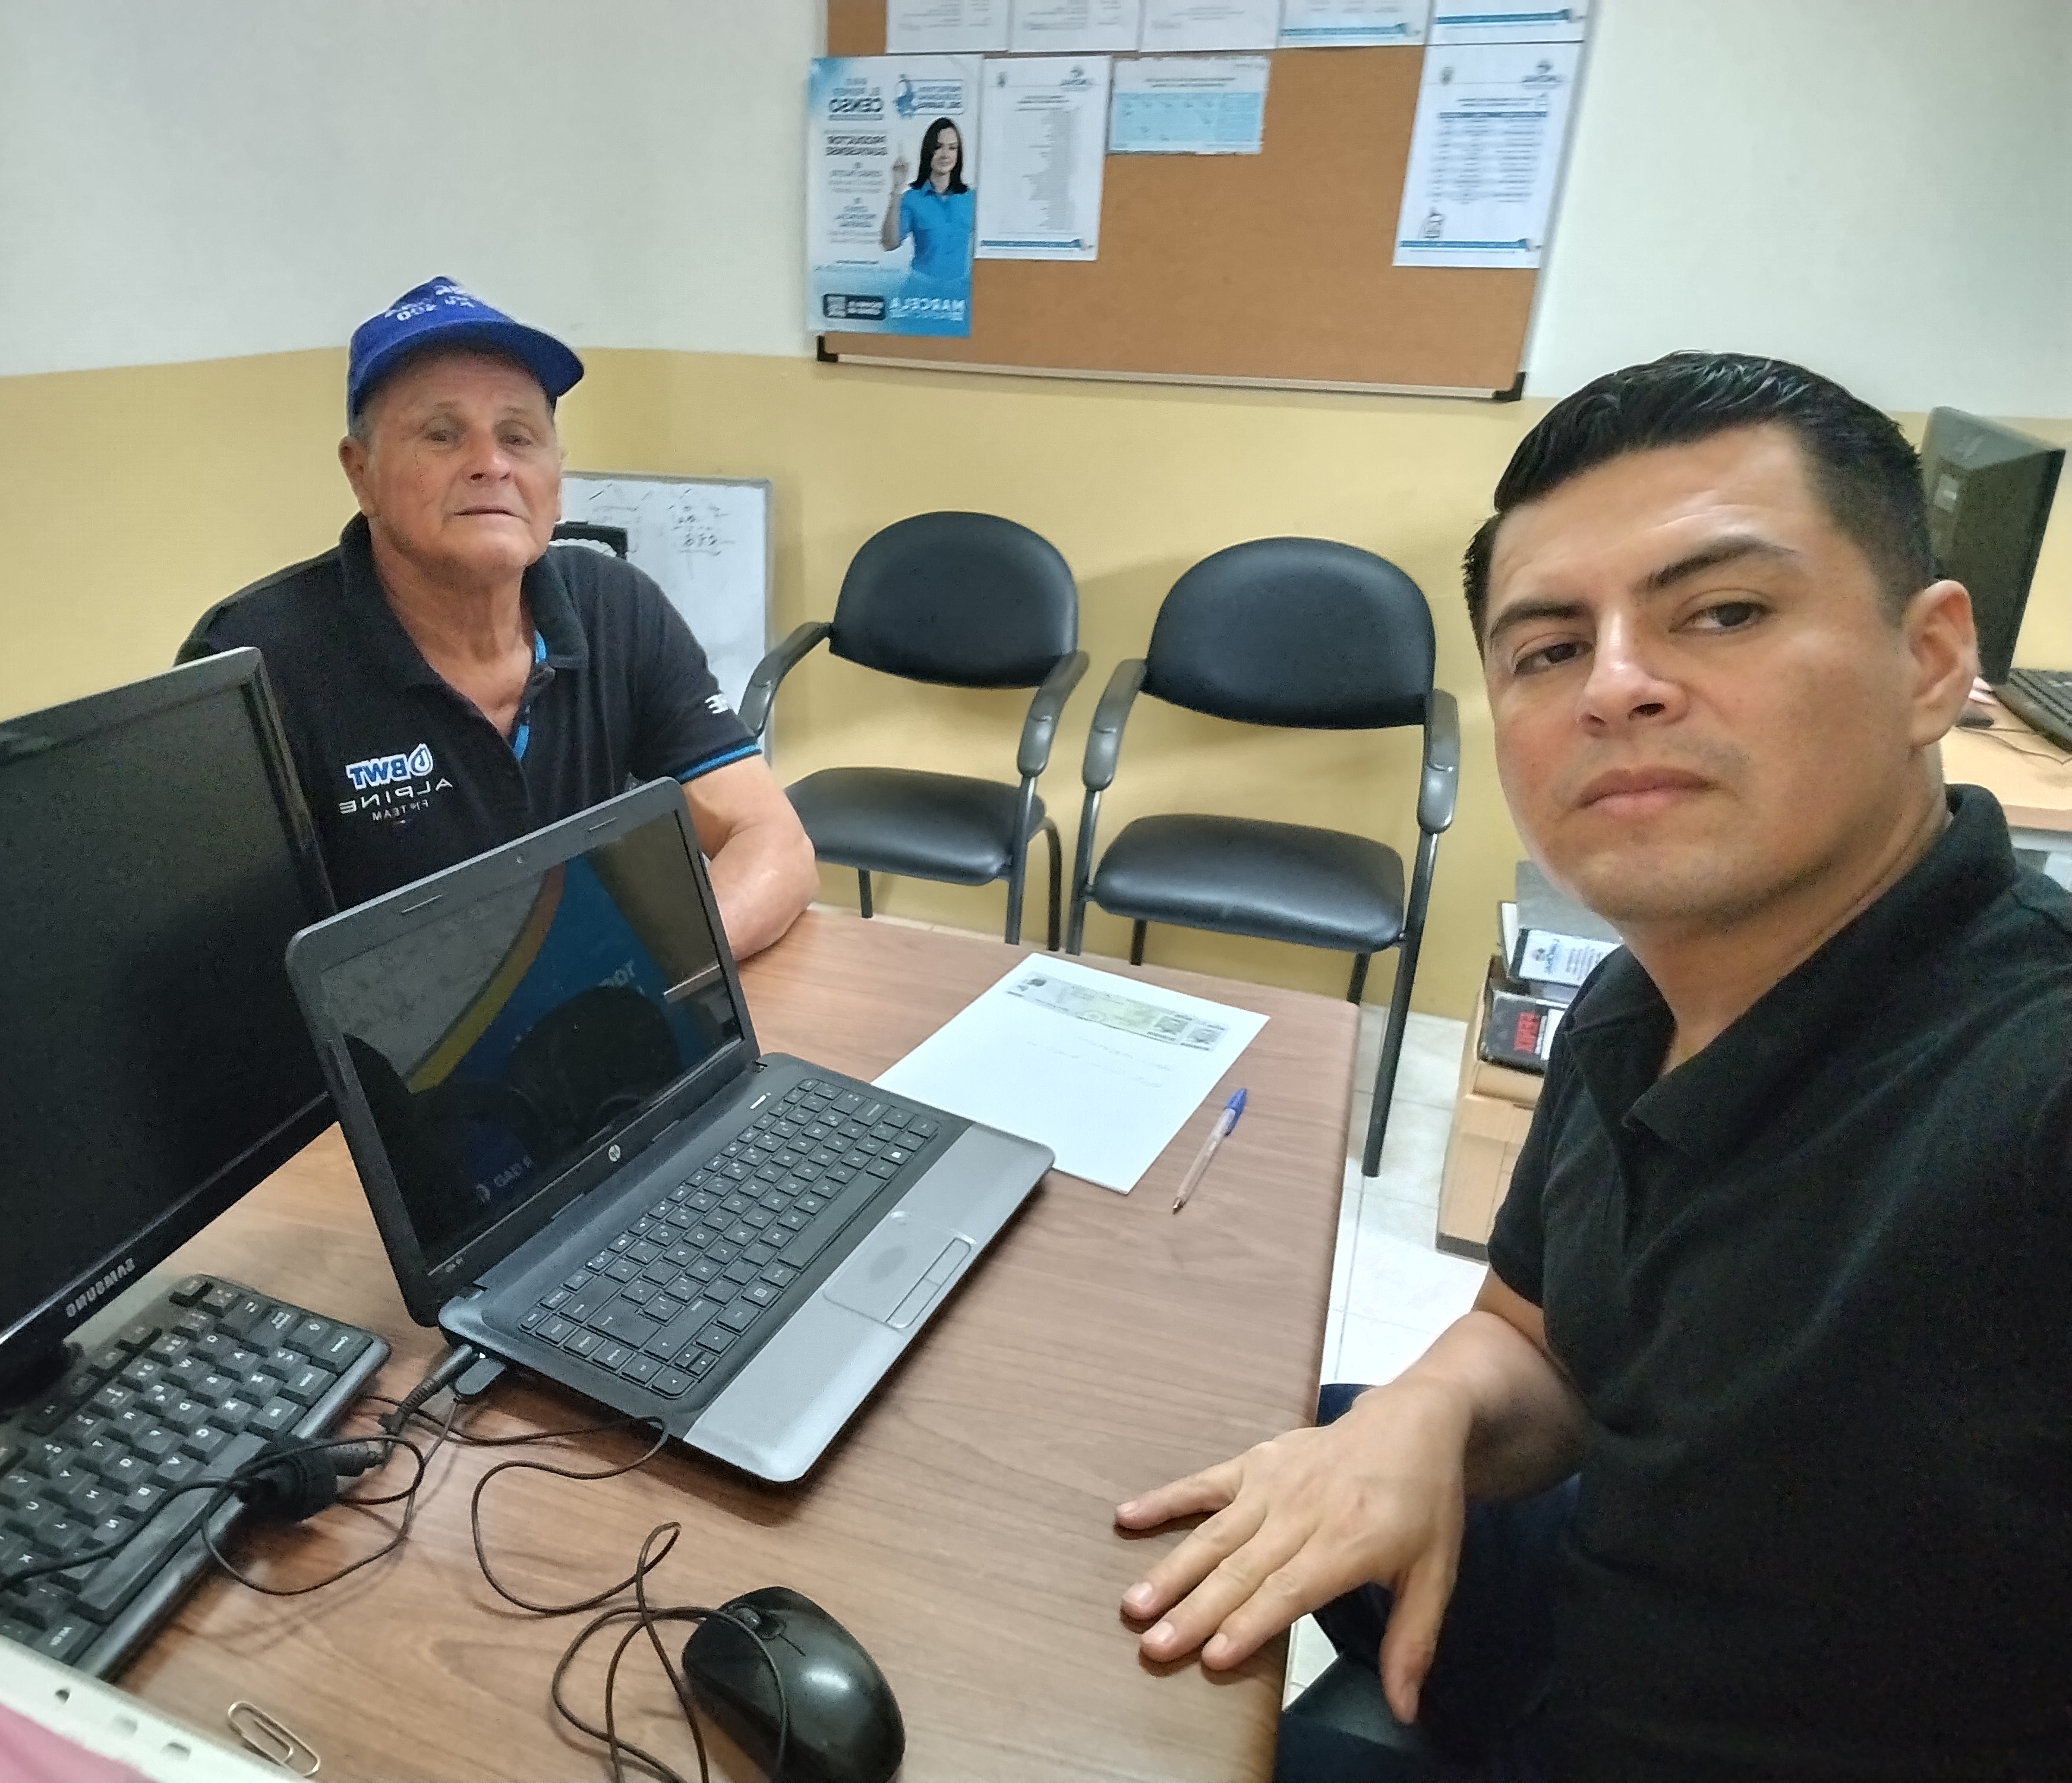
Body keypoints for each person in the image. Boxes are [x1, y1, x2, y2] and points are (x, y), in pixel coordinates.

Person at [1112, 353, 2072, 1781]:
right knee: (1177, 1456)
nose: (1615, 687)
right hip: (1591, 1603)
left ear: (1928, 659)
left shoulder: (2028, 1091)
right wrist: (1428, 1411)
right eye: (1548, 649)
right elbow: (1538, 1334)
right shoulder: (1636, 999)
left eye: (1722, 612)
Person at [178, 277, 816, 956]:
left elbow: (774, 841)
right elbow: (218, 970)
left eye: (518, 436)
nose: (490, 465)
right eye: (442, 435)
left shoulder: (616, 606)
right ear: (360, 472)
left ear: (556, 477)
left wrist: (647, 969)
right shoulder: (249, 665)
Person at [879, 116, 972, 302]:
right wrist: (897, 188)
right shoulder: (912, 199)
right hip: (920, 294)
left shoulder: (971, 199)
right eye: (938, 147)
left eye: (952, 148)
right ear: (928, 151)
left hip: (960, 295)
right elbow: (889, 243)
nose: (945, 154)